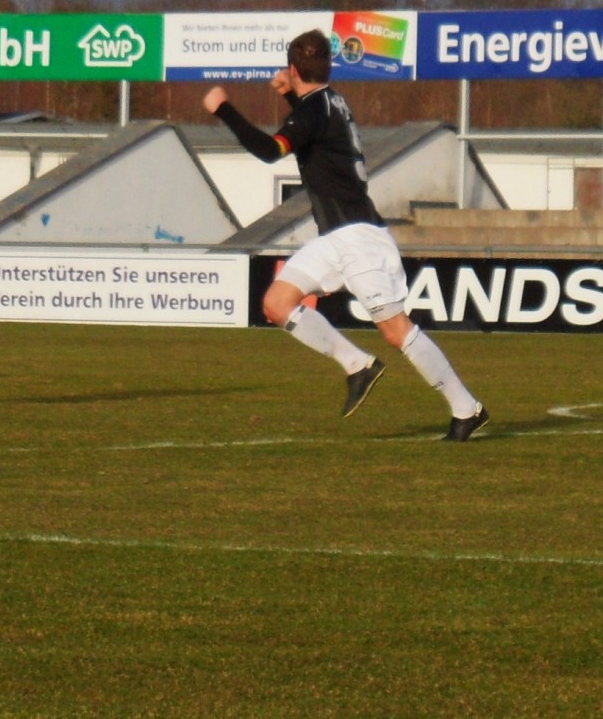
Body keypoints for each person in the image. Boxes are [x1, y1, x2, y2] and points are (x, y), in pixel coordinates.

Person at [203, 29, 489, 441]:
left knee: (396, 331)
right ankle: (358, 365)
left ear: (292, 68)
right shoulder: (328, 101)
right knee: (277, 303)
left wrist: (223, 108)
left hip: (359, 237)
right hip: (335, 236)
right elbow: (311, 130)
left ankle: (467, 409)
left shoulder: (314, 109)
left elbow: (270, 150)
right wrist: (290, 95)